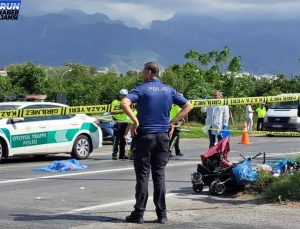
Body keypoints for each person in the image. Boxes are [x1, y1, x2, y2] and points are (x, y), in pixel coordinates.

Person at [121, 62, 193, 224]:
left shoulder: (140, 89)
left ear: (148, 71)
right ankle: (162, 215)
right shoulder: (169, 89)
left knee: (143, 176)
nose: (141, 73)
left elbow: (124, 103)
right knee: (159, 176)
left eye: (142, 71)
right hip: (162, 136)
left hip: (145, 136)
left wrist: (135, 120)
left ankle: (138, 214)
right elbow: (188, 105)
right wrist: (173, 121)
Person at [111, 89, 129, 160]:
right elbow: (112, 112)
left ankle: (122, 154)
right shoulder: (115, 102)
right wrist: (122, 111)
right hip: (117, 122)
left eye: (125, 96)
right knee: (116, 139)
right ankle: (114, 154)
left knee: (123, 139)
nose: (124, 97)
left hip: (125, 122)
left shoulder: (127, 102)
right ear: (120, 95)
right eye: (123, 95)